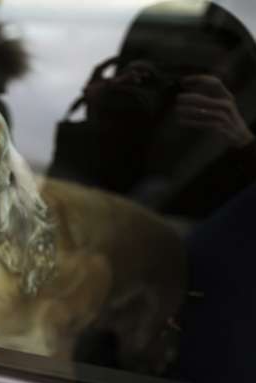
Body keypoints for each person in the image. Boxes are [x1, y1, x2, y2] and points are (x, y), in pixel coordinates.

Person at [48, 0, 256, 220]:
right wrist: (99, 117)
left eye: (183, 79)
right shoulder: (113, 147)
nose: (161, 87)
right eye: (144, 77)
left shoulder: (225, 164)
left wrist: (243, 146)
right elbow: (58, 209)